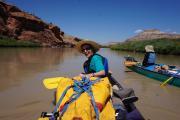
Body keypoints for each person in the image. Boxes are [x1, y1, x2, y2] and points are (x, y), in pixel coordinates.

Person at [76, 40, 138, 104]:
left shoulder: (95, 58)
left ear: (92, 49)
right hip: (99, 79)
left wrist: (91, 75)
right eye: (83, 50)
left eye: (87, 48)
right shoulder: (88, 61)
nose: (85, 51)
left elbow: (102, 72)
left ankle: (122, 95)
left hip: (102, 80)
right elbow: (99, 69)